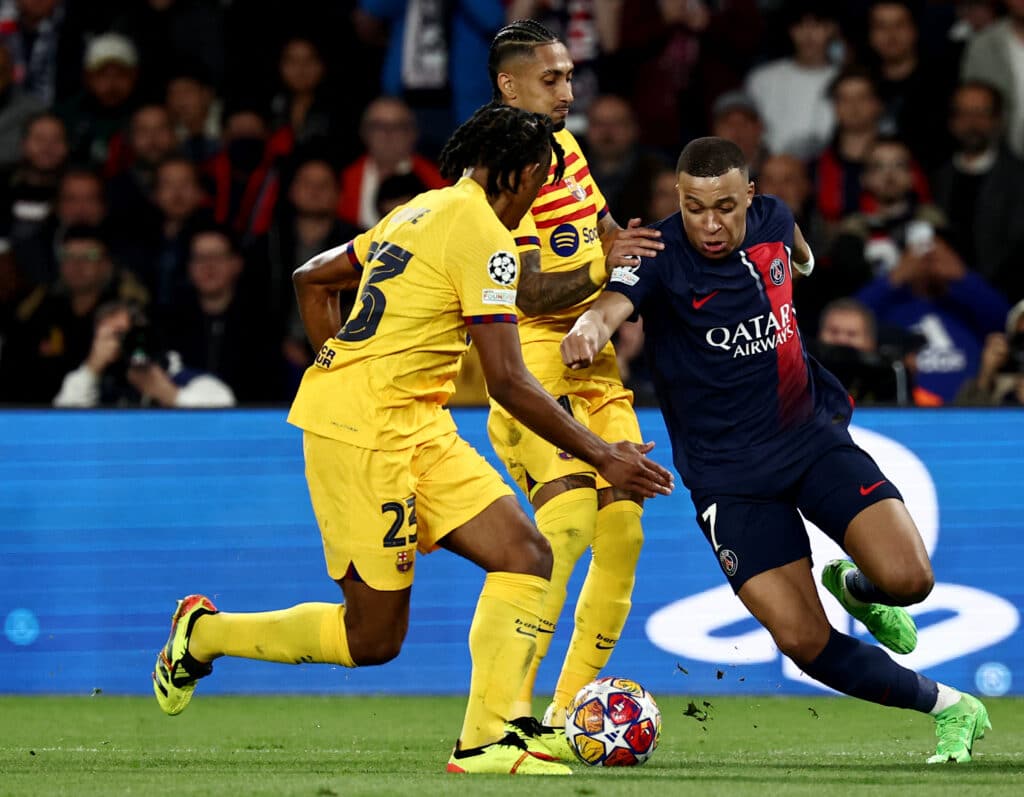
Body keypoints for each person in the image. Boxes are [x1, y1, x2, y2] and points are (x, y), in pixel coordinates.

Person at [149, 104, 673, 776]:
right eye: (541, 179)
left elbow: (314, 278)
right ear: (514, 174)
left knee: (524, 551)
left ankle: (487, 736)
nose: (544, 194)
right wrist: (605, 455)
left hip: (417, 422)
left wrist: (335, 361)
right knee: (372, 638)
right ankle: (204, 633)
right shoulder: (484, 235)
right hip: (361, 435)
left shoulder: (423, 208)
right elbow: (508, 380)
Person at [560, 136, 991, 764]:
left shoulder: (775, 219)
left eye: (725, 207)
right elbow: (611, 308)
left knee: (910, 580)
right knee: (802, 640)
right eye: (694, 207)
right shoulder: (658, 255)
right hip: (730, 481)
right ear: (677, 201)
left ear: (750, 198)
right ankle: (953, 708)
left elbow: (800, 255)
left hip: (811, 441)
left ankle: (856, 587)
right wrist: (587, 327)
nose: (710, 224)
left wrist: (803, 265)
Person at [483, 19, 666, 761]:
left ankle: (565, 717)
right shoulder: (497, 167)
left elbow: (598, 230)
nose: (567, 89)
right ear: (510, 85)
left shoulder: (565, 147)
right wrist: (604, 269)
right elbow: (521, 288)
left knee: (623, 531)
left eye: (568, 76)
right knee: (566, 524)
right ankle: (505, 716)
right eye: (552, 78)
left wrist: (625, 260)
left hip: (591, 356)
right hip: (527, 357)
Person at [52, 298, 235, 408]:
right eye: (112, 336)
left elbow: (226, 410)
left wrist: (170, 395)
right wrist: (92, 368)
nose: (123, 343)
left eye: (125, 334)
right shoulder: (96, 388)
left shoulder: (183, 378)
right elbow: (61, 427)